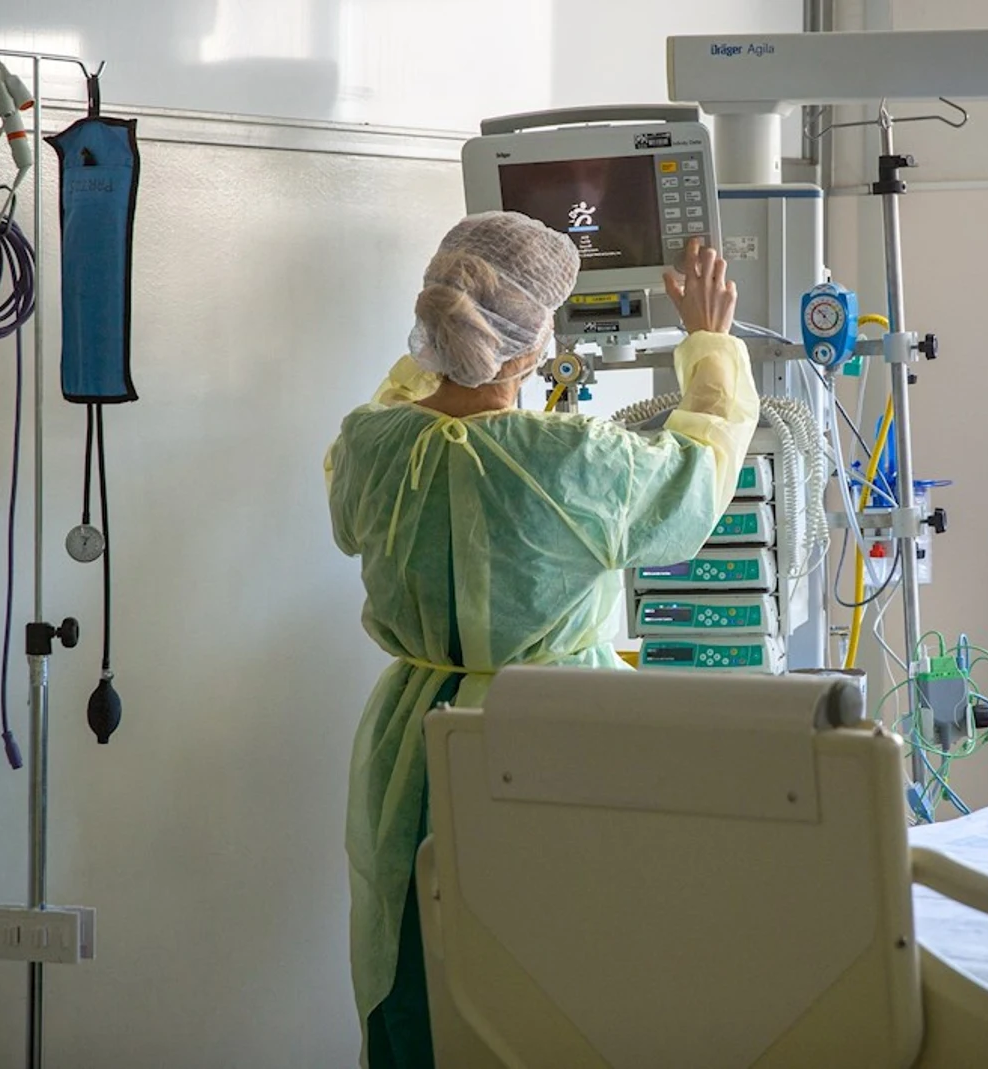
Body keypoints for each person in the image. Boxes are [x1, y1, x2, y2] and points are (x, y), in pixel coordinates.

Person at [323, 212, 758, 1067]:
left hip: (407, 749)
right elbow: (697, 475)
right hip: (549, 740)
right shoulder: (575, 461)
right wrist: (710, 341)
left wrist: (445, 351)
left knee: (413, 962)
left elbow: (401, 409)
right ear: (531, 348)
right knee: (553, 977)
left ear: (435, 322)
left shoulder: (368, 445)